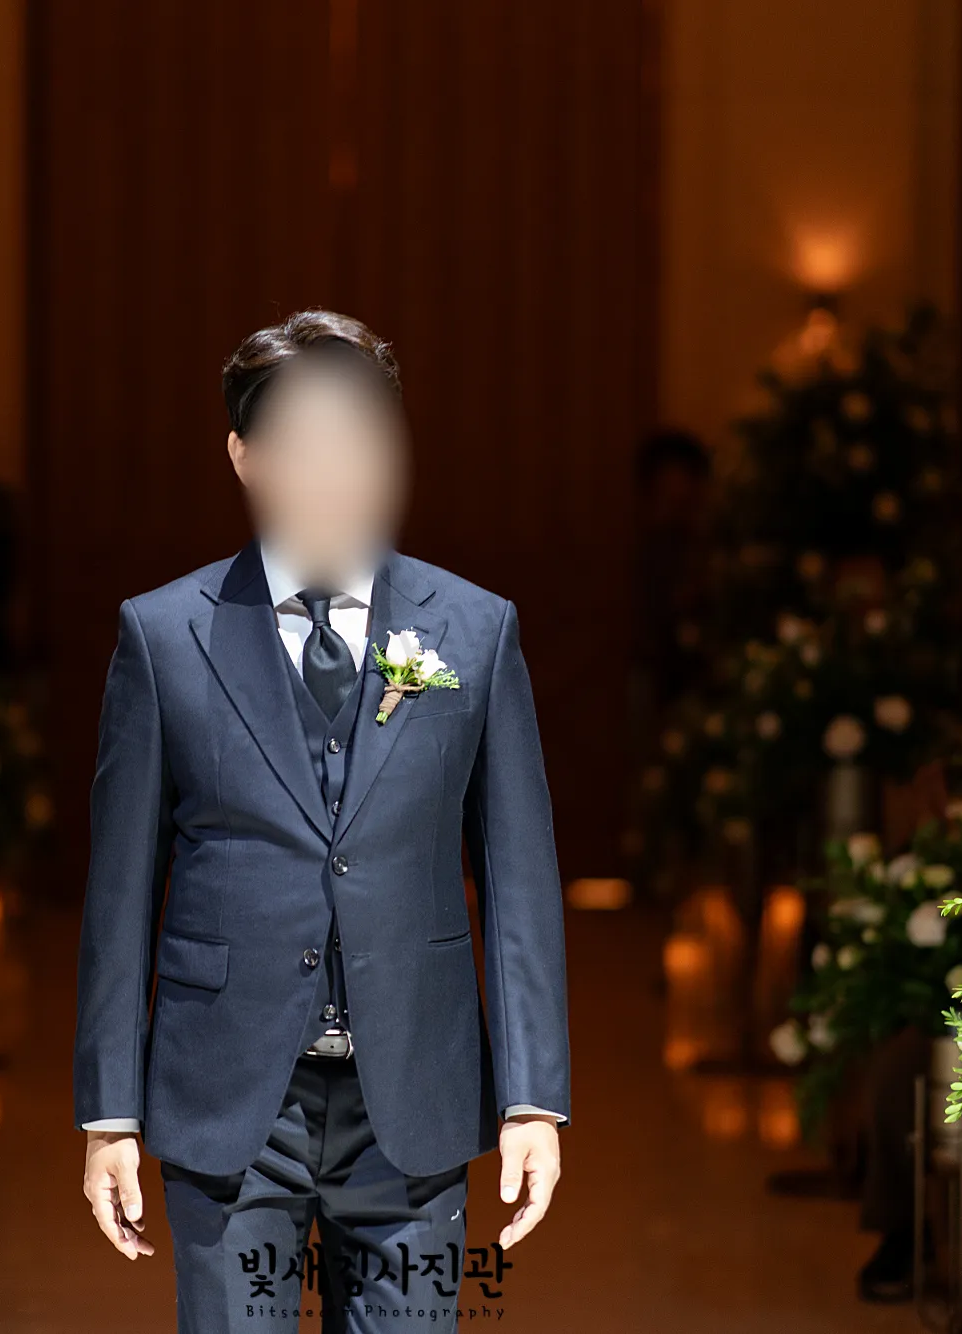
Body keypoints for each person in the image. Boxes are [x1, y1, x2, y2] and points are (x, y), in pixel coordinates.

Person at [73, 311, 571, 1332]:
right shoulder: (164, 635)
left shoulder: (474, 628)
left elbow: (517, 879)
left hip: (414, 1096)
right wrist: (109, 1112)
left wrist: (531, 1096)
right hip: (229, 1099)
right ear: (243, 456)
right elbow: (119, 893)